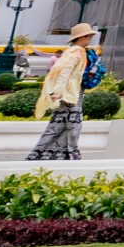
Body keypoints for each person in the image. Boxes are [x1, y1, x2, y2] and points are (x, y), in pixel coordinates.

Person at [31, 23, 97, 161]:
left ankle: (52, 155)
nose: (90, 39)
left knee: (62, 125)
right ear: (83, 37)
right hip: (69, 94)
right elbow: (65, 72)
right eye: (89, 36)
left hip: (72, 93)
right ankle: (64, 155)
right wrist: (58, 92)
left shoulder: (75, 51)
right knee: (69, 126)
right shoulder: (77, 52)